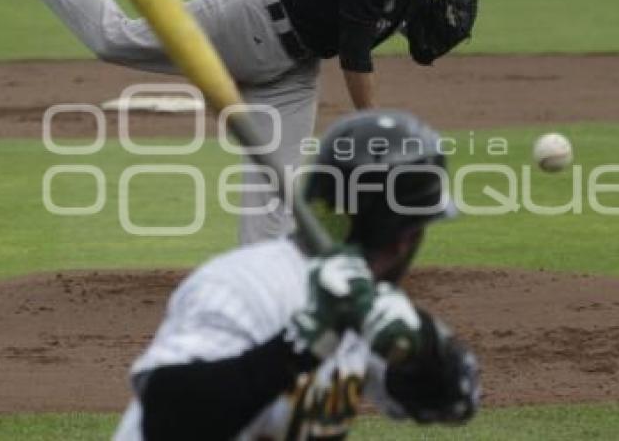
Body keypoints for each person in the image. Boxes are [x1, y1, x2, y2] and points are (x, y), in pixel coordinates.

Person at [0, 0, 486, 245]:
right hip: (251, 20)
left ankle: (267, 295)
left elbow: (390, 28)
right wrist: (377, 131)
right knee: (118, 41)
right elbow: (354, 53)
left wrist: (424, 39)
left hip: (293, 70)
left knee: (275, 190)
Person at [108, 109, 480, 440]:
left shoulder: (359, 298)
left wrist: (423, 347)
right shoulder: (240, 285)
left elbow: (457, 401)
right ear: (406, 239)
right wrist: (301, 344)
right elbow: (165, 416)